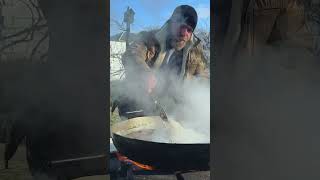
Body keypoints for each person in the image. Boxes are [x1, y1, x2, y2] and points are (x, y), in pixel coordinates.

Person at [115, 5, 209, 119]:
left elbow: (203, 76)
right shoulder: (149, 38)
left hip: (173, 108)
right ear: (171, 23)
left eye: (189, 30)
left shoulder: (195, 51)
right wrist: (144, 72)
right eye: (180, 25)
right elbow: (131, 54)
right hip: (140, 101)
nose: (184, 33)